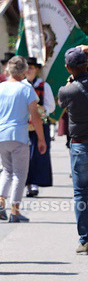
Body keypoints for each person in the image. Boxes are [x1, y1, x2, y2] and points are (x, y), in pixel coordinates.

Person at [0, 56, 46, 223]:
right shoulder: (26, 89)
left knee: (7, 170)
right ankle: (15, 210)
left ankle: (0, 202)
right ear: (24, 71)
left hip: (0, 134)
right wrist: (41, 139)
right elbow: (35, 117)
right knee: (20, 173)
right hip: (18, 134)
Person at [57, 47, 88, 253]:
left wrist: (70, 81)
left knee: (81, 193)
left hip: (80, 145)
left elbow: (61, 105)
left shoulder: (67, 91)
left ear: (68, 68)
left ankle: (85, 240)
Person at [25, 57, 55, 197]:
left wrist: (42, 110)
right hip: (24, 126)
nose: (28, 70)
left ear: (37, 70)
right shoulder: (21, 85)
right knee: (25, 155)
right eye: (26, 68)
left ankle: (35, 183)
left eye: (31, 68)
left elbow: (50, 106)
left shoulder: (44, 86)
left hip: (40, 125)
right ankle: (25, 183)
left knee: (38, 155)